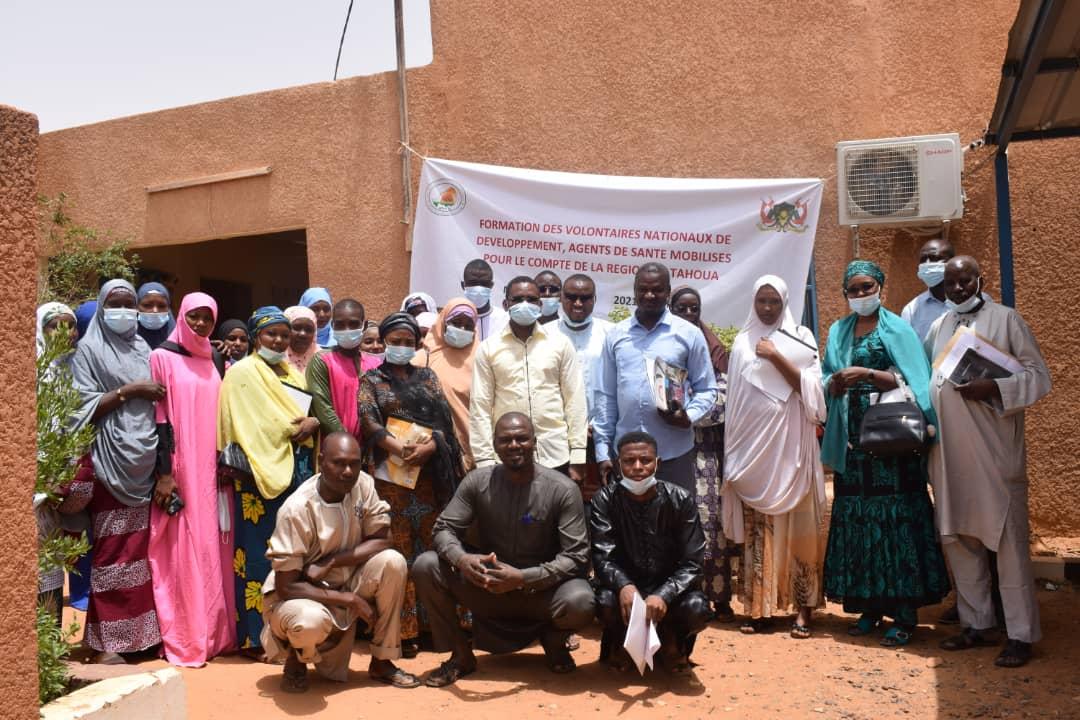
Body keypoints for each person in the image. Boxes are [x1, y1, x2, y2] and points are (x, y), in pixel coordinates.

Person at [927, 256, 1051, 668]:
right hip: (949, 456)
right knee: (959, 540)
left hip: (994, 455)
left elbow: (1039, 377)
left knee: (1009, 544)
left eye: (965, 281)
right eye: (951, 283)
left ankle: (1020, 635)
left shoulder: (1007, 320)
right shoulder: (940, 325)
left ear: (980, 281)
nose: (958, 289)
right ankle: (977, 624)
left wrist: (994, 387)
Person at [411, 413, 595, 687]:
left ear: (535, 442)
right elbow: (443, 529)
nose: (514, 445)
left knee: (581, 600)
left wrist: (523, 578)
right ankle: (460, 654)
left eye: (522, 438)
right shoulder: (477, 482)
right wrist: (462, 560)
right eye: (506, 440)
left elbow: (576, 556)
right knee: (426, 566)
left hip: (540, 592)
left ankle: (554, 641)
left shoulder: (563, 489)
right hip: (488, 586)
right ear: (495, 445)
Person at [820, 260, 949, 646]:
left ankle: (905, 612)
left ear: (880, 287)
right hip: (853, 445)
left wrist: (868, 374)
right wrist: (834, 382)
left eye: (867, 287)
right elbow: (825, 375)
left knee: (898, 523)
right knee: (858, 521)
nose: (860, 295)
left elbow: (916, 379)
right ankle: (870, 606)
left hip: (894, 443)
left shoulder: (898, 329)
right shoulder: (838, 330)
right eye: (853, 290)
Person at [262, 433, 419, 692]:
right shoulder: (297, 509)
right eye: (339, 463)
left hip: (346, 580)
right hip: (300, 596)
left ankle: (382, 661)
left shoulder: (363, 484)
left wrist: (332, 561)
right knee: (308, 621)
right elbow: (286, 587)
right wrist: (350, 600)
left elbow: (383, 539)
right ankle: (296, 659)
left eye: (354, 464)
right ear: (321, 461)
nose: (348, 471)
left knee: (393, 563)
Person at [66, 279, 164, 663]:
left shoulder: (142, 347)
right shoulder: (88, 350)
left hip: (143, 461)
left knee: (140, 557)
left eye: (129, 303)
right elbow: (81, 408)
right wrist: (131, 390)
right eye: (115, 303)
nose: (123, 310)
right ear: (103, 307)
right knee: (112, 554)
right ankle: (109, 643)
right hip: (109, 462)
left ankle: (138, 638)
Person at [722, 276, 827, 637]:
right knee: (760, 531)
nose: (767, 308)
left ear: (785, 303)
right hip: (755, 453)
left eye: (775, 302)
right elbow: (735, 404)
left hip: (792, 448)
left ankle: (803, 610)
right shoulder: (741, 343)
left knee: (800, 528)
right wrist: (734, 454)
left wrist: (776, 357)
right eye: (762, 301)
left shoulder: (801, 337)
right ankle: (759, 608)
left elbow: (815, 396)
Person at [359, 312, 466, 658]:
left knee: (432, 549)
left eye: (408, 342)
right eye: (396, 341)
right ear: (384, 342)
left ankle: (437, 625)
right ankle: (404, 632)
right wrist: (399, 449)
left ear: (417, 344)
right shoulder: (371, 380)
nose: (402, 347)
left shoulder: (428, 377)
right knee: (399, 552)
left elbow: (445, 424)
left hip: (430, 481)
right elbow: (368, 421)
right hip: (390, 482)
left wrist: (430, 448)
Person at [218, 306, 320, 653]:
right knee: (257, 558)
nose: (278, 340)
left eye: (283, 335)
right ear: (255, 337)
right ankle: (254, 638)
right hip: (256, 479)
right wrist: (294, 428)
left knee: (292, 559)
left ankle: (290, 633)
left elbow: (305, 415)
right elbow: (249, 424)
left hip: (296, 476)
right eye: (270, 334)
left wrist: (313, 423)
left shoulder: (293, 373)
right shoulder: (242, 373)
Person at [148, 292, 236, 666]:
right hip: (181, 465)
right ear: (181, 315)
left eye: (207, 318)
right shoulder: (161, 357)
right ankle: (189, 632)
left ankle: (216, 632)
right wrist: (165, 474)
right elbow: (159, 418)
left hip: (212, 469)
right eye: (194, 316)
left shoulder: (214, 358)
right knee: (183, 548)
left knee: (213, 545)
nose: (200, 324)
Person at [591, 431, 709, 673]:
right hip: (624, 590)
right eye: (629, 461)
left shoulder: (681, 499)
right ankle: (620, 644)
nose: (637, 467)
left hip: (670, 590)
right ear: (618, 464)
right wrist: (624, 586)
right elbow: (603, 556)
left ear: (658, 463)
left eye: (645, 460)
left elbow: (693, 562)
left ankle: (673, 644)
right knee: (602, 601)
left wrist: (664, 594)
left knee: (697, 607)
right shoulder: (605, 499)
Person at [595, 263, 718, 495]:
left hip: (673, 453)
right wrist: (603, 451)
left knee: (676, 516)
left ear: (668, 292)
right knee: (627, 518)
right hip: (628, 456)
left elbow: (707, 389)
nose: (649, 295)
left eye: (657, 290)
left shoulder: (688, 334)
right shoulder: (616, 335)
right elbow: (606, 396)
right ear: (634, 291)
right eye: (643, 289)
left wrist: (688, 417)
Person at [469, 276, 587, 483]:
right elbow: (480, 407)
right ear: (506, 304)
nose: (525, 304)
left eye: (531, 299)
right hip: (506, 457)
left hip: (555, 454)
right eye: (518, 299)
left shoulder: (560, 344)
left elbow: (575, 401)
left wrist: (578, 454)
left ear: (540, 304)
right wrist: (485, 460)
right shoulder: (488, 349)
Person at [669, 285, 735, 622]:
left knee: (710, 524)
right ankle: (682, 595)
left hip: (706, 453)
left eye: (693, 308)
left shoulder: (714, 351)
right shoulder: (665, 348)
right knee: (675, 525)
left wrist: (685, 412)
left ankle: (717, 596)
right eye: (681, 308)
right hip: (670, 449)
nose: (688, 314)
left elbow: (720, 404)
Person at [35, 302, 78, 624]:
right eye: (55, 325)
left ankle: (50, 640)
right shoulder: (30, 371)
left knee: (52, 567)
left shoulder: (73, 370)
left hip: (61, 485)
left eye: (70, 325)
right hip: (35, 486)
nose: (65, 332)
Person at [555, 274, 613, 504]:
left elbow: (615, 386)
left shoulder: (610, 334)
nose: (578, 303)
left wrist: (598, 424)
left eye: (585, 297)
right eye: (571, 297)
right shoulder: (545, 333)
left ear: (595, 299)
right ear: (561, 298)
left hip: (601, 435)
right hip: (559, 436)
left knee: (601, 503)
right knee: (560, 501)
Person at [416, 298, 480, 471]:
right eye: (456, 323)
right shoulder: (421, 359)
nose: (462, 329)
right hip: (428, 452)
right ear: (443, 323)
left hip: (474, 449)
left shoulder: (483, 360)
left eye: (468, 325)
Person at [306, 299, 379, 439]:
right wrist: (348, 443)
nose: (347, 329)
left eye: (353, 324)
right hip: (336, 446)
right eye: (340, 324)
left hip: (371, 447)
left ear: (364, 325)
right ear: (333, 325)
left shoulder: (375, 363)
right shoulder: (322, 361)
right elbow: (323, 410)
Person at [460, 258, 508, 341]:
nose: (479, 288)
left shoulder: (505, 319)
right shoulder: (455, 319)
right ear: (463, 285)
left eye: (484, 283)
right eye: (473, 283)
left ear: (491, 285)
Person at [136, 281, 176, 350]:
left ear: (168, 308)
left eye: (161, 306)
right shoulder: (125, 342)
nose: (155, 311)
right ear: (137, 307)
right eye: (147, 305)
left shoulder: (179, 343)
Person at [283, 306, 319, 376]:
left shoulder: (322, 359)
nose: (303, 334)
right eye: (296, 328)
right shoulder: (275, 358)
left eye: (309, 329)